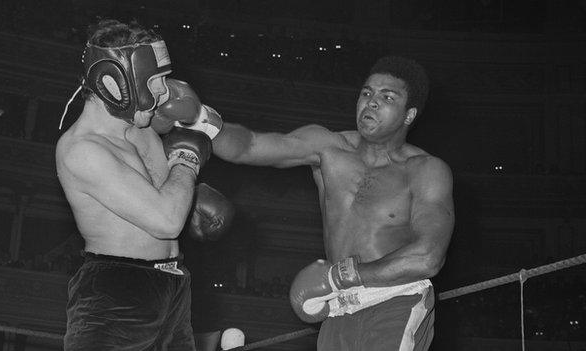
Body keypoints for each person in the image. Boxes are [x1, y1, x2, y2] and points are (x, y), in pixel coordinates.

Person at [212, 56, 454, 350]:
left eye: (387, 97)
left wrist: (340, 277)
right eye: (367, 93)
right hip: (339, 309)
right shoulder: (328, 149)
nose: (372, 102)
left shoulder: (426, 171)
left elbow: (428, 257)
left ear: (408, 115)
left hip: (396, 301)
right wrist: (201, 122)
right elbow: (249, 145)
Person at [56, 19, 232, 350]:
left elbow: (165, 194)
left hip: (173, 286)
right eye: (156, 81)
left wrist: (190, 196)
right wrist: (187, 158)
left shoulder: (142, 126)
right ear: (117, 82)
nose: (165, 91)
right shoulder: (83, 150)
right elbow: (166, 221)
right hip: (116, 296)